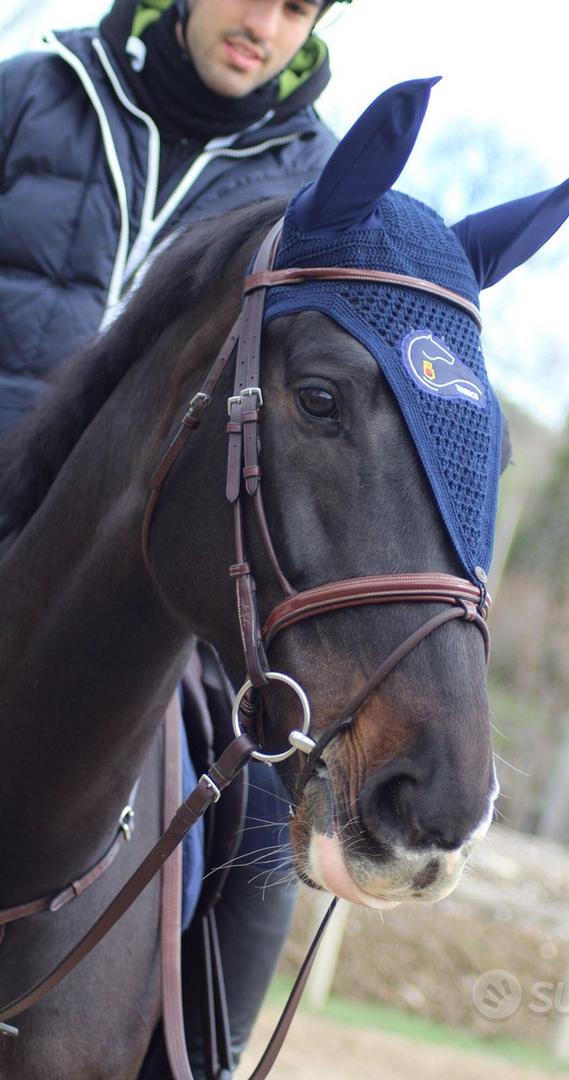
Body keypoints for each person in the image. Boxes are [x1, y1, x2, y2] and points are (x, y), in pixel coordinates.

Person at [0, 0, 351, 1074]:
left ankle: (207, 1058)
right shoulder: (33, 93)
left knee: (252, 814)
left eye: (303, 7)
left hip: (161, 586)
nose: (269, 23)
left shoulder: (322, 186)